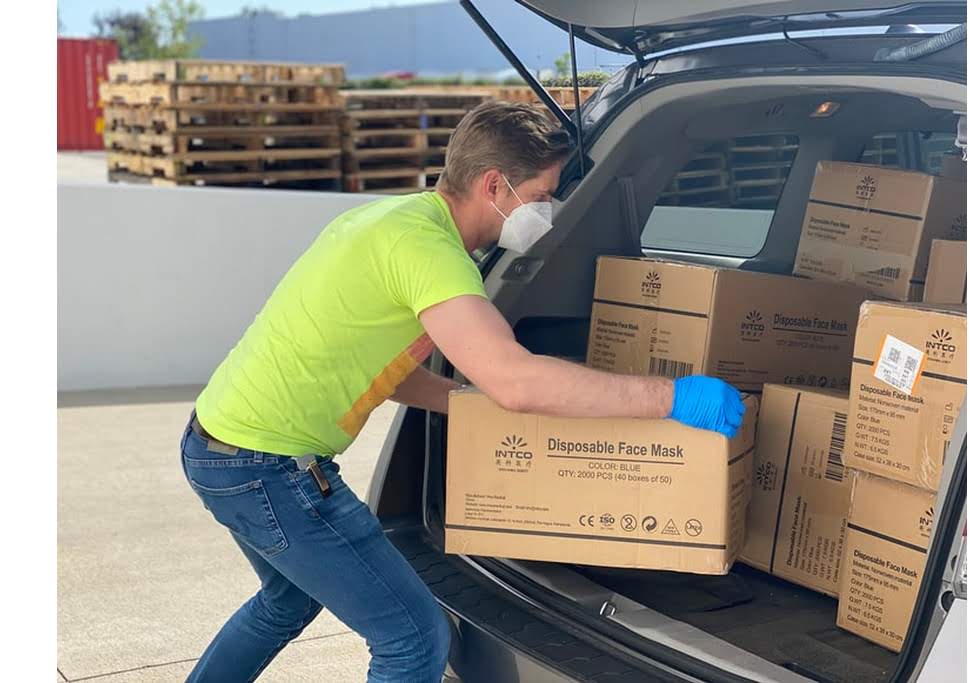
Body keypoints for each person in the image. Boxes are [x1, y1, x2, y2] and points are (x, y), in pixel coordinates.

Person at [179, 101, 744, 683]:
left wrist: (465, 404)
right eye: (544, 193)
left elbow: (381, 366)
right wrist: (674, 398)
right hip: (270, 470)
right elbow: (517, 381)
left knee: (285, 603)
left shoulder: (391, 222)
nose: (548, 210)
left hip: (217, 446)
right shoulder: (434, 256)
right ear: (494, 184)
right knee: (415, 640)